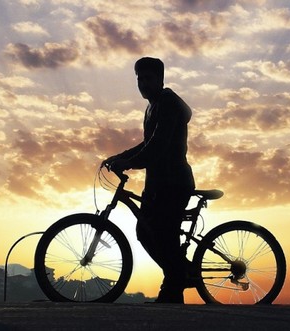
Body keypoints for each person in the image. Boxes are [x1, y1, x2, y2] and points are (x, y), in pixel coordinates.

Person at [104, 57, 195, 304]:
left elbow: (158, 146)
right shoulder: (153, 106)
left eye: (148, 78)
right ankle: (177, 276)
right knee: (146, 233)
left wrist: (129, 162)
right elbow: (148, 143)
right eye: (139, 79)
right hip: (158, 183)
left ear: (160, 79)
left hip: (173, 182)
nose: (143, 83)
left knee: (163, 235)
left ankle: (174, 284)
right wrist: (122, 156)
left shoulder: (167, 104)